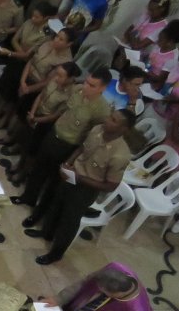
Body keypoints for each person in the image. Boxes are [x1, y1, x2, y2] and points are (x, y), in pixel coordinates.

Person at [25, 109, 134, 265]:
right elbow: (82, 148)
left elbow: (110, 185)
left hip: (85, 189)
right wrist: (68, 163)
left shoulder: (120, 155)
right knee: (56, 205)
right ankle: (46, 232)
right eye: (110, 116)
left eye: (114, 120)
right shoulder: (97, 130)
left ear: (124, 129)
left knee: (69, 221)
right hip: (72, 175)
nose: (108, 120)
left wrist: (79, 178)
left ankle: (56, 253)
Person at [13, 67, 113, 217]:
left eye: (92, 85)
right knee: (38, 170)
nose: (86, 86)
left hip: (69, 146)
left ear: (103, 88)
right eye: (86, 82)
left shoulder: (102, 110)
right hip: (54, 135)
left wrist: (73, 159)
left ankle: (38, 213)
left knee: (53, 181)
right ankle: (28, 197)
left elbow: (91, 137)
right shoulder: (77, 90)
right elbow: (63, 111)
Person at [6, 62, 81, 184]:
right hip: (36, 114)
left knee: (33, 150)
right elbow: (41, 95)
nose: (57, 77)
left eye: (61, 76)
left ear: (70, 79)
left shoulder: (71, 94)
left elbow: (56, 115)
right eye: (57, 74)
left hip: (46, 123)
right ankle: (19, 165)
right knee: (26, 142)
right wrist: (33, 113)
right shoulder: (54, 80)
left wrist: (37, 120)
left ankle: (23, 173)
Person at [0, 28, 75, 135]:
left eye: (61, 39)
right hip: (26, 75)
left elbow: (49, 81)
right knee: (11, 98)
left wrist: (28, 89)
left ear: (69, 44)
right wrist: (23, 82)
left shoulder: (66, 61)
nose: (56, 40)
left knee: (21, 113)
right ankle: (2, 118)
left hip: (37, 86)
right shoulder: (47, 43)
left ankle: (10, 134)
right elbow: (31, 60)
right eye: (57, 36)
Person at [144, 18, 179, 89]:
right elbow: (149, 60)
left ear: (169, 42)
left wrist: (145, 71)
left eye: (160, 40)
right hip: (145, 72)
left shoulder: (173, 57)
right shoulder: (159, 46)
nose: (157, 41)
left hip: (152, 83)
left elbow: (160, 79)